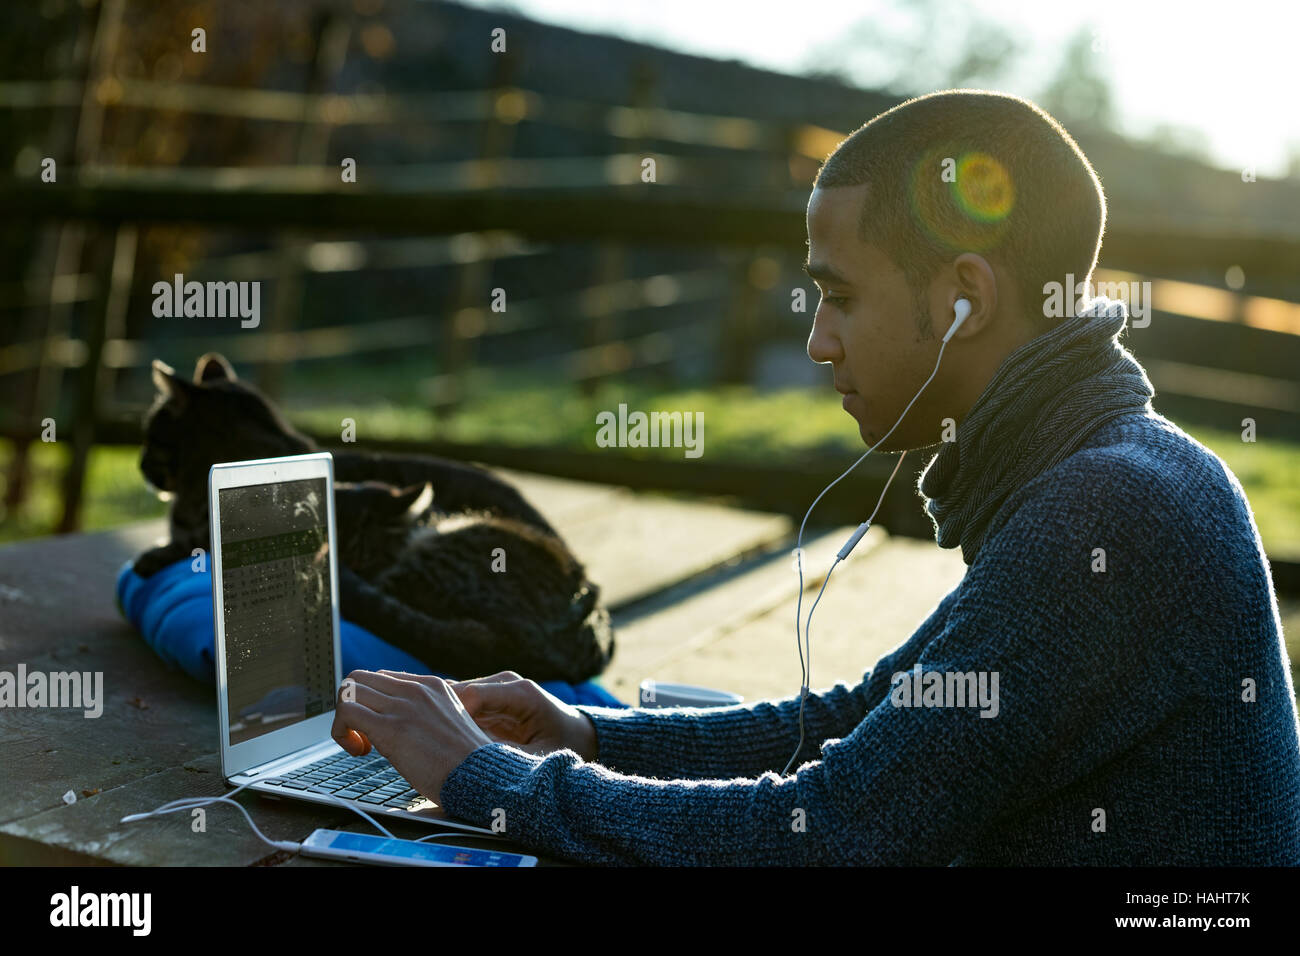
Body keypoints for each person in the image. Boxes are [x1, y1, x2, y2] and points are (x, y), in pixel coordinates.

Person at [331, 89, 1300, 865]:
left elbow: (836, 831)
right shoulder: (1096, 467)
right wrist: (588, 735)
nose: (816, 338)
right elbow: (873, 717)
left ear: (964, 298)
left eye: (839, 294)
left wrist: (485, 779)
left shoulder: (1109, 510)